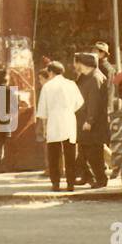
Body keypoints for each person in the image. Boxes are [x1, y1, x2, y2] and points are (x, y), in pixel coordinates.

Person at [35, 61, 83, 191]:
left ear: (50, 72)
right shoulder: (71, 84)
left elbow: (43, 111)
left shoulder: (47, 87)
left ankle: (55, 183)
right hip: (69, 120)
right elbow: (79, 103)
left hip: (53, 122)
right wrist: (68, 109)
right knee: (70, 153)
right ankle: (70, 183)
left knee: (54, 155)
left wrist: (44, 127)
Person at [74, 53, 110, 189]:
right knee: (83, 151)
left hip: (93, 124)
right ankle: (87, 176)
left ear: (84, 64)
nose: (77, 66)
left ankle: (101, 179)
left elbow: (94, 102)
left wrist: (89, 120)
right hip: (84, 120)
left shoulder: (95, 78)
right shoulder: (86, 77)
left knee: (94, 153)